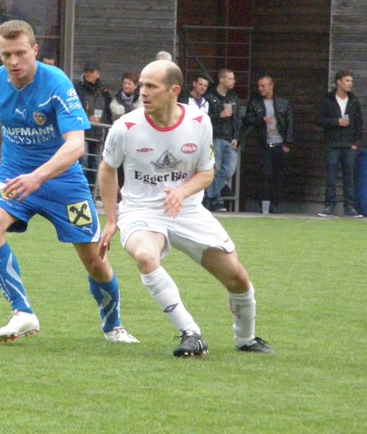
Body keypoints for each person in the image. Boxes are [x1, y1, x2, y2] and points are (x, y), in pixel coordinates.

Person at [0, 19, 137, 344]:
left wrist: (38, 177)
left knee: (95, 261)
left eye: (20, 53)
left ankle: (113, 326)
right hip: (14, 176)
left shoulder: (57, 83)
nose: (13, 61)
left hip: (64, 183)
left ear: (35, 50)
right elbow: (0, 119)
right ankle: (22, 311)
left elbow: (76, 146)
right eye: (6, 55)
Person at [97, 60, 273, 357]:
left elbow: (207, 172)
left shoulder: (199, 122)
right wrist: (112, 220)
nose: (143, 92)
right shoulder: (124, 127)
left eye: (151, 86)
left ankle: (246, 339)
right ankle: (190, 333)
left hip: (188, 210)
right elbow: (107, 169)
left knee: (237, 278)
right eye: (141, 86)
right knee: (145, 256)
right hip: (140, 211)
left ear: (174, 91)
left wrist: (181, 192)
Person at [316, 70, 363, 218]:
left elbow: (359, 123)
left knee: (349, 177)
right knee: (331, 176)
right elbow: (319, 119)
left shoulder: (354, 101)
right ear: (338, 82)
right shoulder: (327, 99)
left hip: (349, 145)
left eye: (351, 81)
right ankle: (329, 206)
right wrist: (336, 122)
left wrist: (356, 143)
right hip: (332, 143)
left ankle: (350, 207)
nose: (350, 84)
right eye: (347, 80)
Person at [243, 75, 294, 214]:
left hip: (280, 144)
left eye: (263, 86)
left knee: (279, 176)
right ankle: (264, 206)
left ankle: (275, 205)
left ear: (271, 86)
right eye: (259, 86)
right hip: (265, 145)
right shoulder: (255, 103)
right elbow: (247, 120)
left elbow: (289, 123)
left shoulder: (283, 103)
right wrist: (261, 119)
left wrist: (287, 143)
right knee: (265, 175)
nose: (260, 89)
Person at [204, 68, 241, 212]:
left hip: (229, 138)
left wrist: (236, 137)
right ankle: (217, 200)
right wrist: (219, 115)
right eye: (230, 79)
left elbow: (237, 120)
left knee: (229, 170)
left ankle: (208, 195)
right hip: (215, 136)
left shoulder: (233, 98)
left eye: (233, 79)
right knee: (215, 169)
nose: (233, 81)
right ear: (221, 79)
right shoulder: (209, 97)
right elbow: (204, 118)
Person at [75, 63, 112, 185]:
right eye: (87, 71)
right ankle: (81, 187)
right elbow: (75, 108)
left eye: (91, 72)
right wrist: (86, 118)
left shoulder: (104, 91)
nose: (88, 74)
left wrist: (104, 125)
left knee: (95, 163)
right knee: (83, 160)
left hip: (98, 133)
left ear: (98, 74)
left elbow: (108, 113)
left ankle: (91, 190)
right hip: (82, 131)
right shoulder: (78, 88)